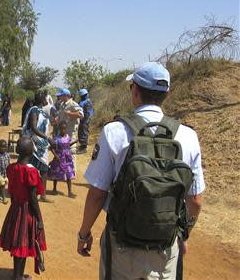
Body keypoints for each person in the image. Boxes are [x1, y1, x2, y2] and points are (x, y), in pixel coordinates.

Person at [77, 62, 205, 280]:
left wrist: (84, 233)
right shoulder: (188, 136)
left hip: (122, 245)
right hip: (165, 247)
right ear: (166, 93)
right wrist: (183, 235)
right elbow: (195, 201)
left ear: (135, 91)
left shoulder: (114, 131)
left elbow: (98, 194)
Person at [0, 136, 47, 280]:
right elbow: (32, 198)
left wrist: (14, 208)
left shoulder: (11, 168)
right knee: (23, 242)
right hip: (27, 211)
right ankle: (18, 277)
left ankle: (17, 274)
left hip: (15, 209)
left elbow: (11, 191)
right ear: (32, 152)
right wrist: (38, 217)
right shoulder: (31, 172)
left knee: (18, 242)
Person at [22, 90, 53, 203]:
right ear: (43, 99)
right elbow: (34, 128)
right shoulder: (34, 110)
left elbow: (43, 126)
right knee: (33, 169)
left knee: (43, 169)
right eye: (45, 98)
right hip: (34, 144)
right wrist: (47, 138)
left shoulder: (41, 111)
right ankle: (31, 193)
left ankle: (42, 195)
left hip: (41, 145)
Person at [48, 121, 78, 198]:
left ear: (66, 129)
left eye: (64, 129)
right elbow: (51, 148)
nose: (63, 131)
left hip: (67, 158)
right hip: (59, 158)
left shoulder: (68, 137)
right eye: (61, 129)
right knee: (56, 173)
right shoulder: (56, 138)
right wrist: (56, 156)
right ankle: (54, 189)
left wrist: (74, 142)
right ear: (59, 129)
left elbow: (67, 146)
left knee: (69, 173)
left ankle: (70, 192)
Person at [56, 88, 83, 161]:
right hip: (62, 134)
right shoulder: (62, 104)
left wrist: (69, 113)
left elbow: (81, 115)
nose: (60, 97)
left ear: (66, 96)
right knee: (62, 153)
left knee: (71, 154)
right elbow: (61, 115)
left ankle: (72, 171)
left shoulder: (73, 104)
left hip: (71, 134)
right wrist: (57, 119)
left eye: (61, 96)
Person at [77, 88, 94, 154]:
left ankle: (84, 148)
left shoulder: (85, 102)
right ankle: (82, 145)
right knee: (82, 132)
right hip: (84, 119)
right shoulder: (87, 101)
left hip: (84, 120)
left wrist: (85, 120)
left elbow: (88, 112)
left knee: (83, 132)